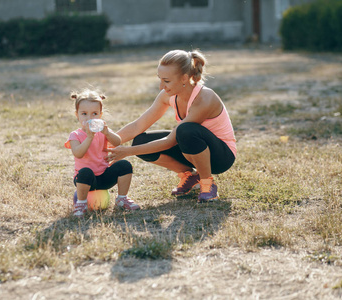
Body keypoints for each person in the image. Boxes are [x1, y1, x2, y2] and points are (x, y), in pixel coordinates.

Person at [106, 49, 236, 203]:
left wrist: (127, 152)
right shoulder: (168, 95)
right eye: (160, 79)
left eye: (166, 81)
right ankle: (190, 175)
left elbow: (170, 141)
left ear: (184, 78)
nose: (161, 86)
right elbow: (138, 126)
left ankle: (207, 183)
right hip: (193, 150)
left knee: (185, 130)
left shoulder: (204, 98)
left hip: (221, 156)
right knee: (140, 141)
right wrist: (103, 144)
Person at [65, 89, 140, 217]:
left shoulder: (103, 131)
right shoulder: (75, 135)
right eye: (84, 114)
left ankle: (122, 198)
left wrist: (107, 133)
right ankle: (81, 203)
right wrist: (89, 137)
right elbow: (78, 153)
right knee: (84, 172)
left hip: (104, 176)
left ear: (100, 115)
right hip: (86, 181)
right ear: (77, 115)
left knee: (124, 165)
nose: (90, 118)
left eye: (94, 113)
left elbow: (117, 142)